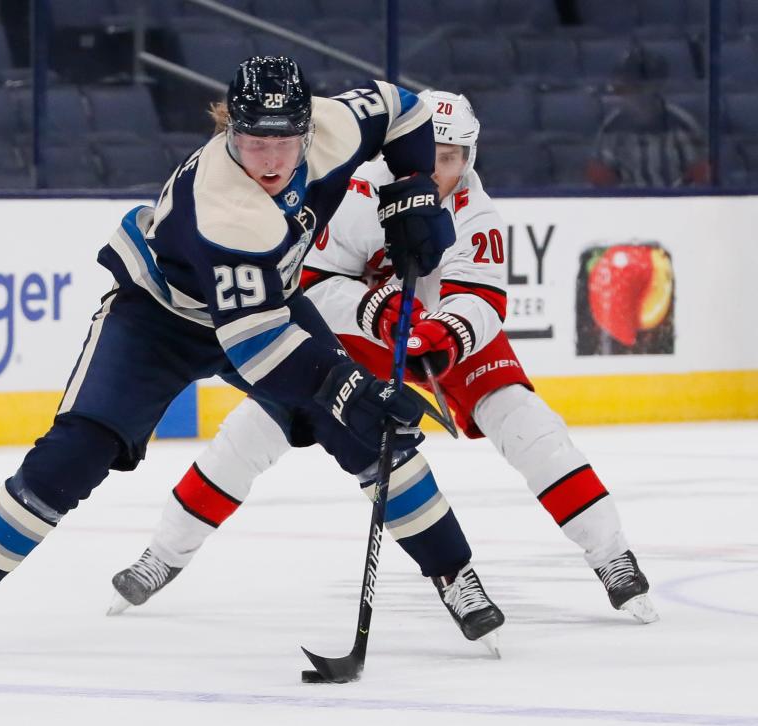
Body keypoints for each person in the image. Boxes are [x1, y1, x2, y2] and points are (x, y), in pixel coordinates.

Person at [0, 57, 504, 655]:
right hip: (161, 319)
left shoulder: (335, 126)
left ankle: (454, 572)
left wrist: (414, 188)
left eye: (283, 141)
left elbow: (406, 110)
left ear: (308, 128)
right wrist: (351, 387)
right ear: (228, 129)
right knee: (77, 451)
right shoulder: (223, 207)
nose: (268, 160)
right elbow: (260, 347)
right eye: (251, 141)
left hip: (268, 303)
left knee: (374, 440)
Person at [109, 90, 659, 627]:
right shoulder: (357, 192)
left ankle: (611, 555)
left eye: (453, 158)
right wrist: (378, 308)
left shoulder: (476, 212)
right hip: (361, 325)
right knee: (258, 425)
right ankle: (164, 555)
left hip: (438, 329)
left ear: (469, 157)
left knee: (527, 422)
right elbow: (309, 285)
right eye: (433, 153)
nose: (441, 169)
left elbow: (482, 297)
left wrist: (445, 335)